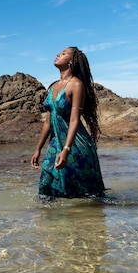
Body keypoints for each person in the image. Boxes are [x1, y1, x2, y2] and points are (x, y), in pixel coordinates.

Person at [31, 46, 105, 198]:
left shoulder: (76, 85)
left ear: (71, 61)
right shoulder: (52, 87)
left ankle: (83, 220)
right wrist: (38, 149)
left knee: (84, 194)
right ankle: (51, 221)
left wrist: (66, 149)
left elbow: (74, 120)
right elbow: (47, 122)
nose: (58, 54)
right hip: (55, 143)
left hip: (75, 145)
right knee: (46, 185)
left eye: (64, 53)